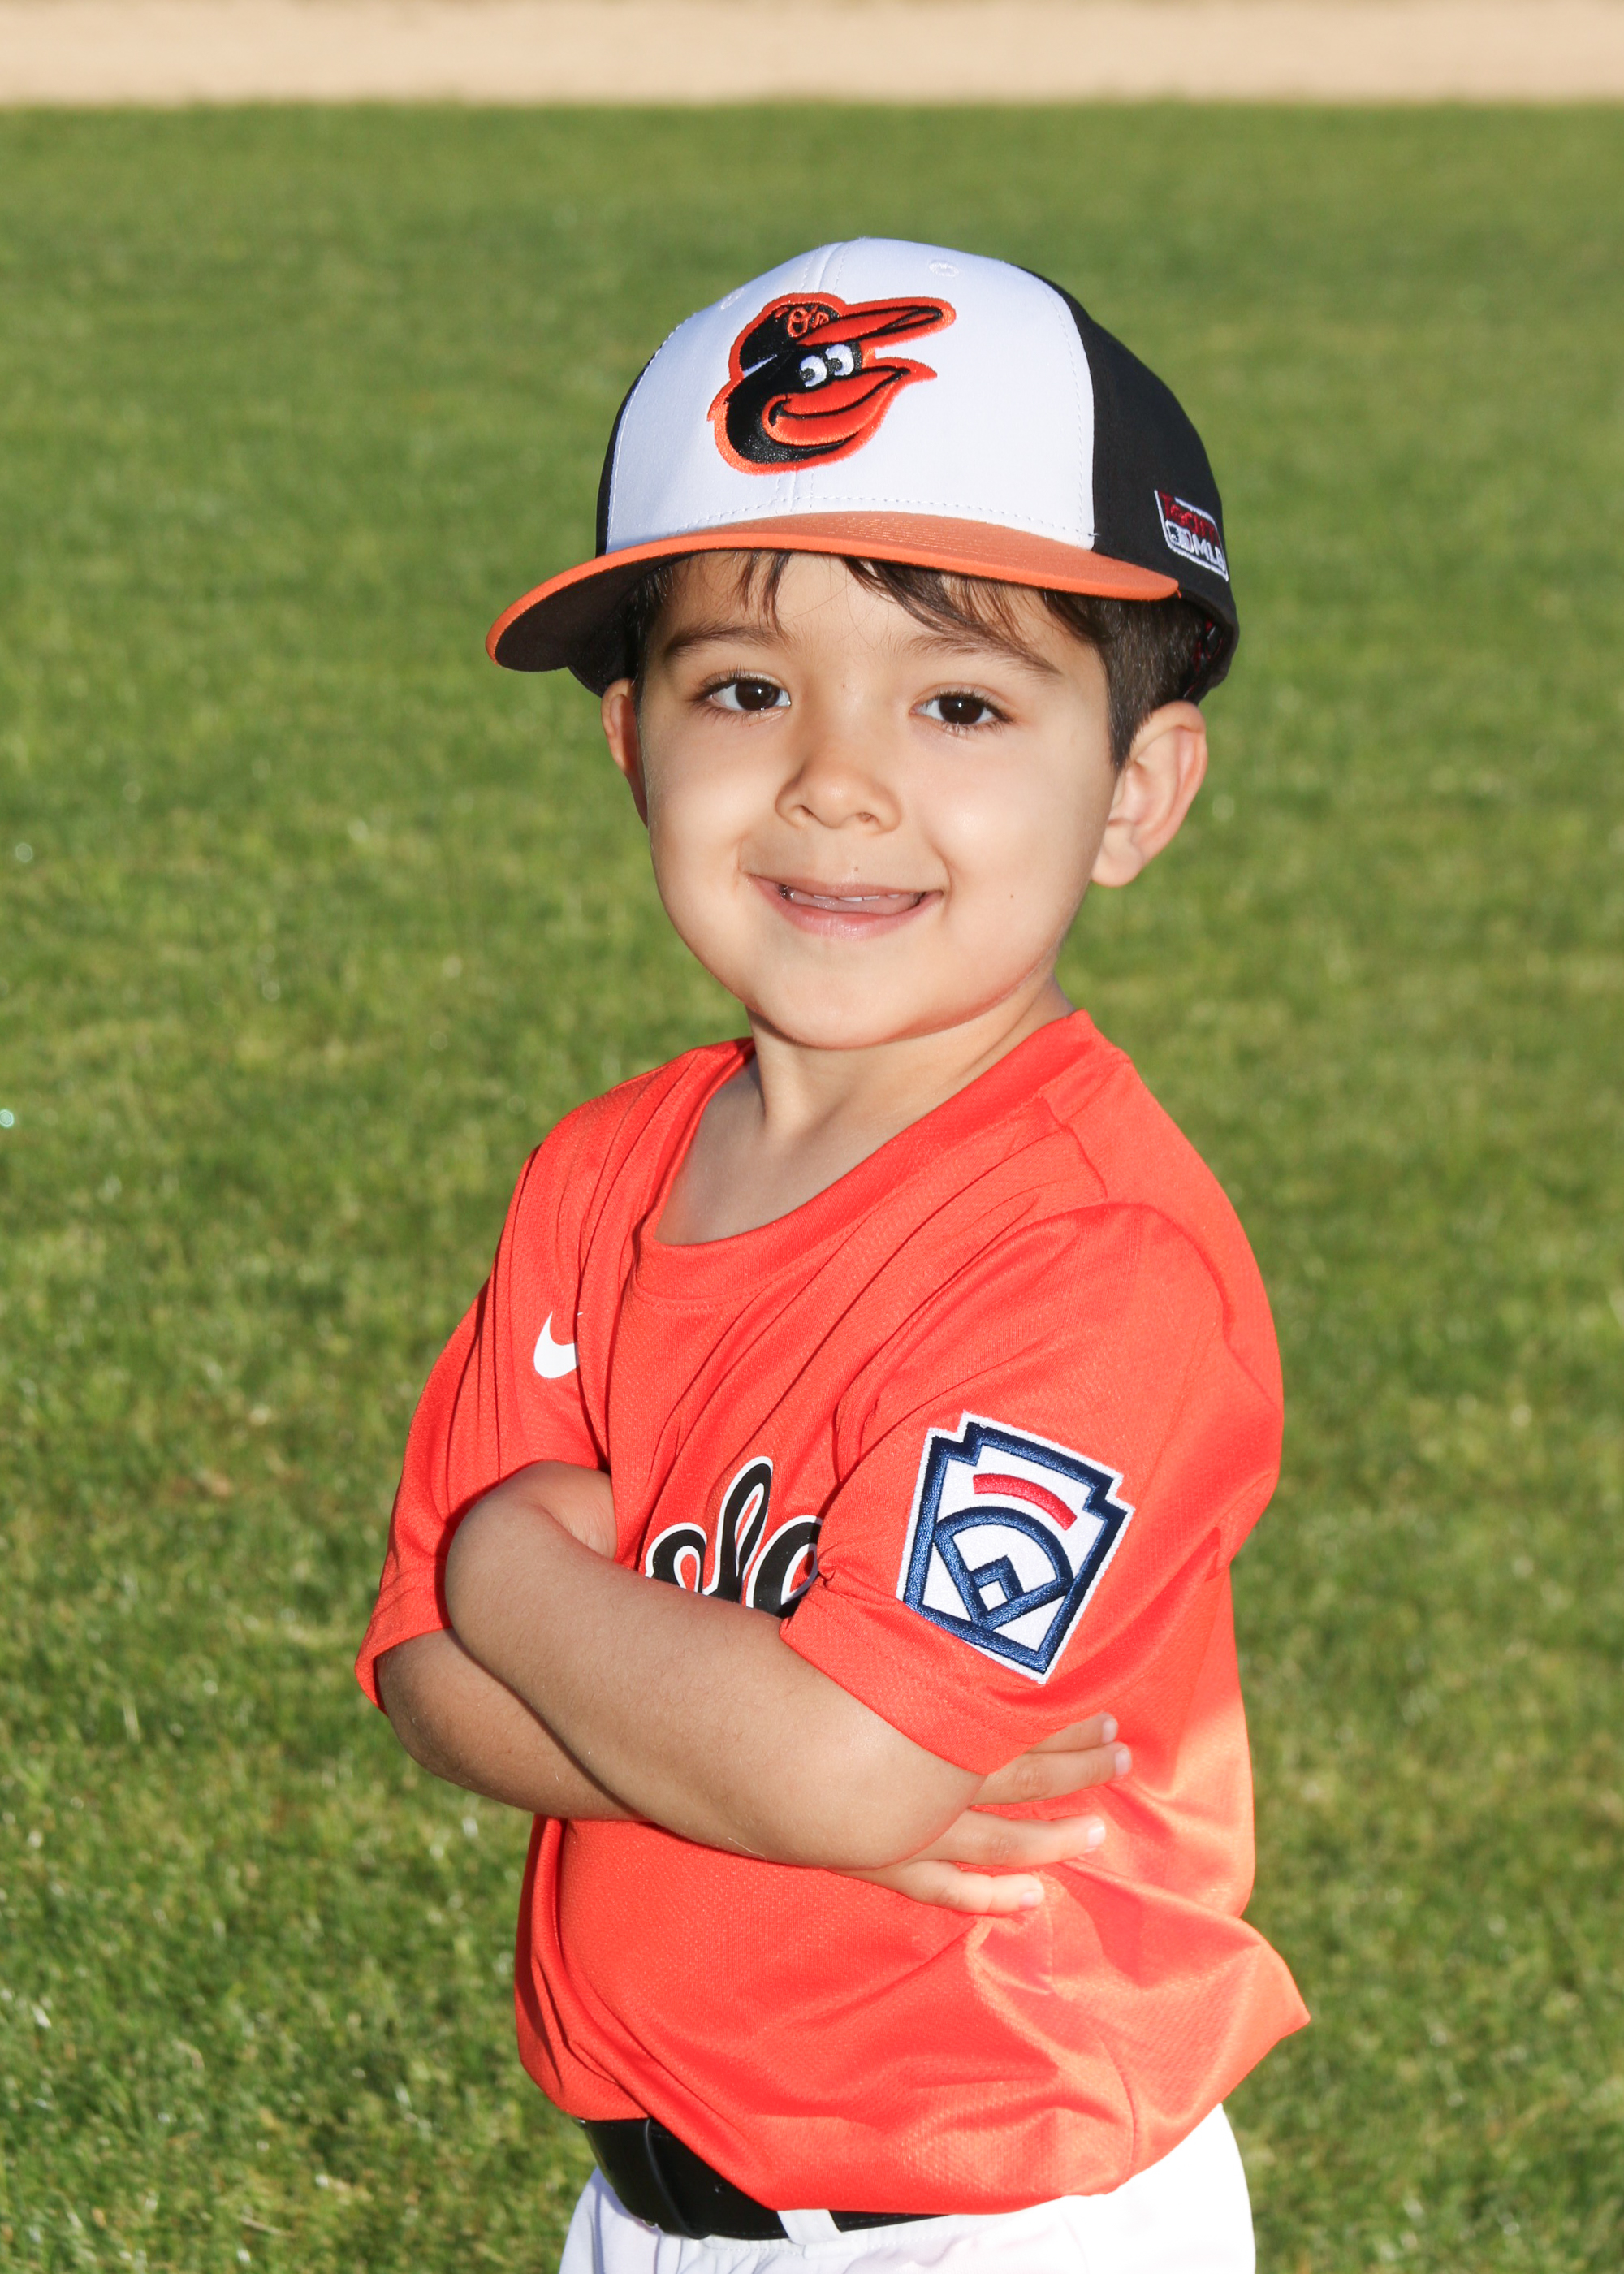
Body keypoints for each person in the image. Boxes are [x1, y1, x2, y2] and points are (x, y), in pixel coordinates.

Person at [356, 238, 1307, 2274]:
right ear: (631, 742)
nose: (837, 781)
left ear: (1133, 789)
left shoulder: (1091, 1253)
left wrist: (529, 1571)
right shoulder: (600, 1174)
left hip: (1009, 2209)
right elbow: (421, 1672)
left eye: (960, 700)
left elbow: (839, 1758)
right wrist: (734, 1734)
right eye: (744, 686)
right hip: (648, 2195)